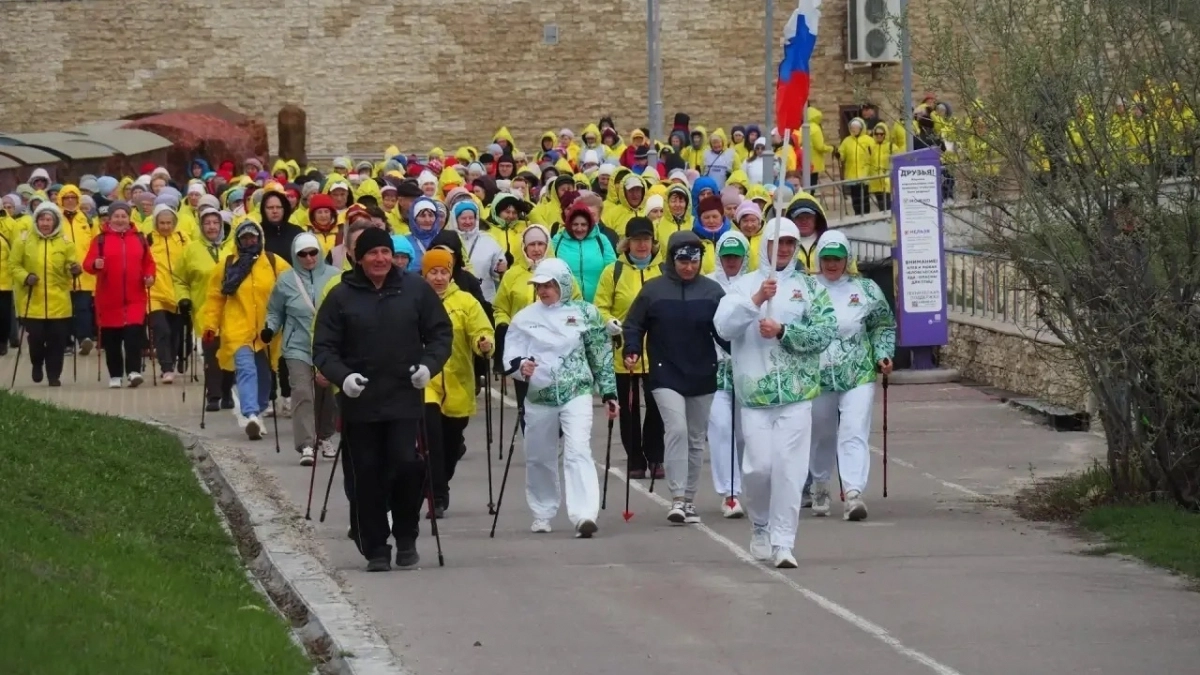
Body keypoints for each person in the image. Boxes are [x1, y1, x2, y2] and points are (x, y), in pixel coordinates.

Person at [312, 228, 453, 572]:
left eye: (385, 252)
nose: (380, 259)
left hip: (404, 398)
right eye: (372, 253)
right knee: (367, 474)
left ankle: (406, 534)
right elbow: (324, 348)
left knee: (407, 465)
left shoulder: (415, 290)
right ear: (358, 258)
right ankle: (375, 545)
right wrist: (343, 377)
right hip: (360, 403)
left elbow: (440, 334)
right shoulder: (341, 296)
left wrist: (428, 366)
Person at [713, 218, 836, 569]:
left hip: (797, 394)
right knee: (759, 469)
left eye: (789, 243)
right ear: (764, 243)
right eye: (776, 242)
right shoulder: (743, 286)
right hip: (755, 395)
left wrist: (784, 331)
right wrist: (756, 301)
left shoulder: (809, 288)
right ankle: (761, 523)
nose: (782, 249)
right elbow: (723, 327)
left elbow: (824, 333)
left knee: (789, 471)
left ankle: (784, 541)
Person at [502, 258, 618, 537]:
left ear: (564, 285)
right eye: (540, 286)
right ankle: (542, 512)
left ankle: (584, 515)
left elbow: (600, 355)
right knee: (539, 456)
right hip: (539, 396)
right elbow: (510, 356)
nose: (544, 291)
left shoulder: (587, 313)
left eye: (549, 285)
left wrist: (609, 392)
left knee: (578, 450)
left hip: (576, 392)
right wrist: (520, 367)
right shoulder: (524, 318)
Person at [623, 231, 728, 525]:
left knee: (696, 439)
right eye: (682, 259)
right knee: (677, 429)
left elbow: (726, 331)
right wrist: (631, 348)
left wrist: (742, 350)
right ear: (671, 258)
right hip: (664, 371)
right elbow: (634, 324)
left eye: (694, 260)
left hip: (703, 371)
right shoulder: (653, 290)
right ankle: (677, 497)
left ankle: (690, 499)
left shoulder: (712, 292)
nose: (688, 266)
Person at [808, 231, 895, 521]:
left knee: (854, 430)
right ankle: (819, 484)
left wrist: (882, 353)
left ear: (848, 259)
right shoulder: (805, 289)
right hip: (817, 376)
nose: (832, 264)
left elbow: (882, 324)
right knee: (821, 434)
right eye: (827, 258)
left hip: (857, 372)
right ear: (818, 258)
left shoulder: (866, 290)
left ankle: (853, 492)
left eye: (838, 259)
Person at [420, 247, 494, 517]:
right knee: (431, 440)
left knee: (451, 444)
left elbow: (482, 330)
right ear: (424, 273)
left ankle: (442, 482)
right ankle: (436, 495)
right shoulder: (416, 299)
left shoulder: (465, 301)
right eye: (433, 272)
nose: (438, 277)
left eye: (443, 271)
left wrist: (484, 343)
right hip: (425, 380)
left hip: (459, 382)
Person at [200, 221, 290, 441]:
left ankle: (258, 410)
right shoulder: (227, 264)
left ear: (260, 239)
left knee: (265, 372)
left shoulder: (274, 262)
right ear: (238, 241)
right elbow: (214, 298)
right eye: (245, 238)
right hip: (237, 327)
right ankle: (249, 413)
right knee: (246, 369)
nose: (250, 241)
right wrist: (210, 326)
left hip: (267, 328)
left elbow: (290, 289)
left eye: (253, 237)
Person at [593, 216, 665, 479]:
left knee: (658, 407)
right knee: (629, 409)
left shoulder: (664, 270)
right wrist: (607, 321)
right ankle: (635, 458)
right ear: (627, 244)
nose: (642, 245)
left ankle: (656, 456)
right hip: (625, 353)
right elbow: (599, 306)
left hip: (658, 351)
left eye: (646, 240)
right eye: (637, 240)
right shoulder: (613, 271)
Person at [264, 232, 341, 465]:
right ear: (296, 256)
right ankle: (306, 444)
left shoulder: (335, 276)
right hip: (297, 346)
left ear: (319, 251)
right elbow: (275, 310)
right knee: (303, 392)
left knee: (327, 394)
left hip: (329, 345)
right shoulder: (286, 280)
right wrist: (270, 328)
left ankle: (325, 436)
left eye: (313, 252)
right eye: (303, 254)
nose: (308, 258)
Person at [84, 201, 155, 388]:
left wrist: (149, 276)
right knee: (112, 341)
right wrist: (95, 265)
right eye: (116, 216)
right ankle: (115, 375)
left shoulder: (140, 238)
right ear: (110, 218)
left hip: (135, 298)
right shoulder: (100, 240)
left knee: (134, 337)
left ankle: (134, 372)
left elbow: (149, 262)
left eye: (124, 216)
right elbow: (88, 263)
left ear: (129, 217)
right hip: (108, 298)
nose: (120, 219)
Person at [10, 203, 81, 386]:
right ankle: (36, 363)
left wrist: (73, 269)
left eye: (49, 219)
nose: (45, 223)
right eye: (42, 219)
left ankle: (53, 375)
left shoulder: (66, 243)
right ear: (36, 220)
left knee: (57, 341)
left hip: (59, 302)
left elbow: (69, 265)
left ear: (55, 221)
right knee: (36, 340)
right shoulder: (23, 241)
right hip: (33, 300)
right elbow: (14, 266)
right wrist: (26, 277)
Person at [706, 231, 751, 518]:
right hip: (716, 367)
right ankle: (730, 493)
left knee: (746, 431)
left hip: (749, 367)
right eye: (727, 255)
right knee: (721, 427)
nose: (731, 260)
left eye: (736, 255)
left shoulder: (754, 283)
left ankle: (747, 485)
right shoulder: (707, 285)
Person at [180, 206, 234, 409]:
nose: (211, 227)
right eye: (207, 223)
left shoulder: (232, 248)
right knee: (211, 351)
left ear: (221, 225)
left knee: (229, 351)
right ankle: (213, 394)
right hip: (204, 308)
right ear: (201, 226)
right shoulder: (191, 250)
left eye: (215, 223)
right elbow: (180, 279)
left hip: (231, 308)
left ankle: (227, 390)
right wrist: (183, 298)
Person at [146, 204, 190, 384]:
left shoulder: (183, 238)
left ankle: (174, 360)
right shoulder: (148, 240)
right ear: (155, 223)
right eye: (161, 223)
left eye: (168, 223)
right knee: (161, 330)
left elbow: (190, 261)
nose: (165, 226)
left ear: (174, 223)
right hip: (155, 292)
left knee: (175, 332)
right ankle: (167, 367)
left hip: (178, 293)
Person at [550, 201, 616, 302]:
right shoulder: (558, 240)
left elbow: (612, 269)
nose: (579, 229)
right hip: (565, 304)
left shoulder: (601, 240)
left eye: (583, 224)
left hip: (597, 304)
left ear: (590, 224)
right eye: (575, 224)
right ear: (568, 224)